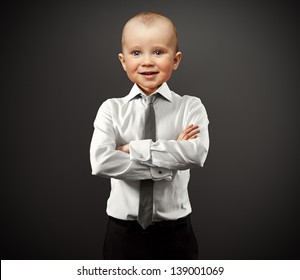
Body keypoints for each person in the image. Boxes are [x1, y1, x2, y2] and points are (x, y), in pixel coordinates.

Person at [90, 11, 209, 260]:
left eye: (158, 52)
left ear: (175, 60)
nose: (147, 62)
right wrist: (167, 164)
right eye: (136, 53)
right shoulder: (111, 109)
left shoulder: (190, 106)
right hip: (122, 232)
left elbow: (196, 154)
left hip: (176, 232)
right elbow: (101, 161)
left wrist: (132, 148)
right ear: (123, 61)